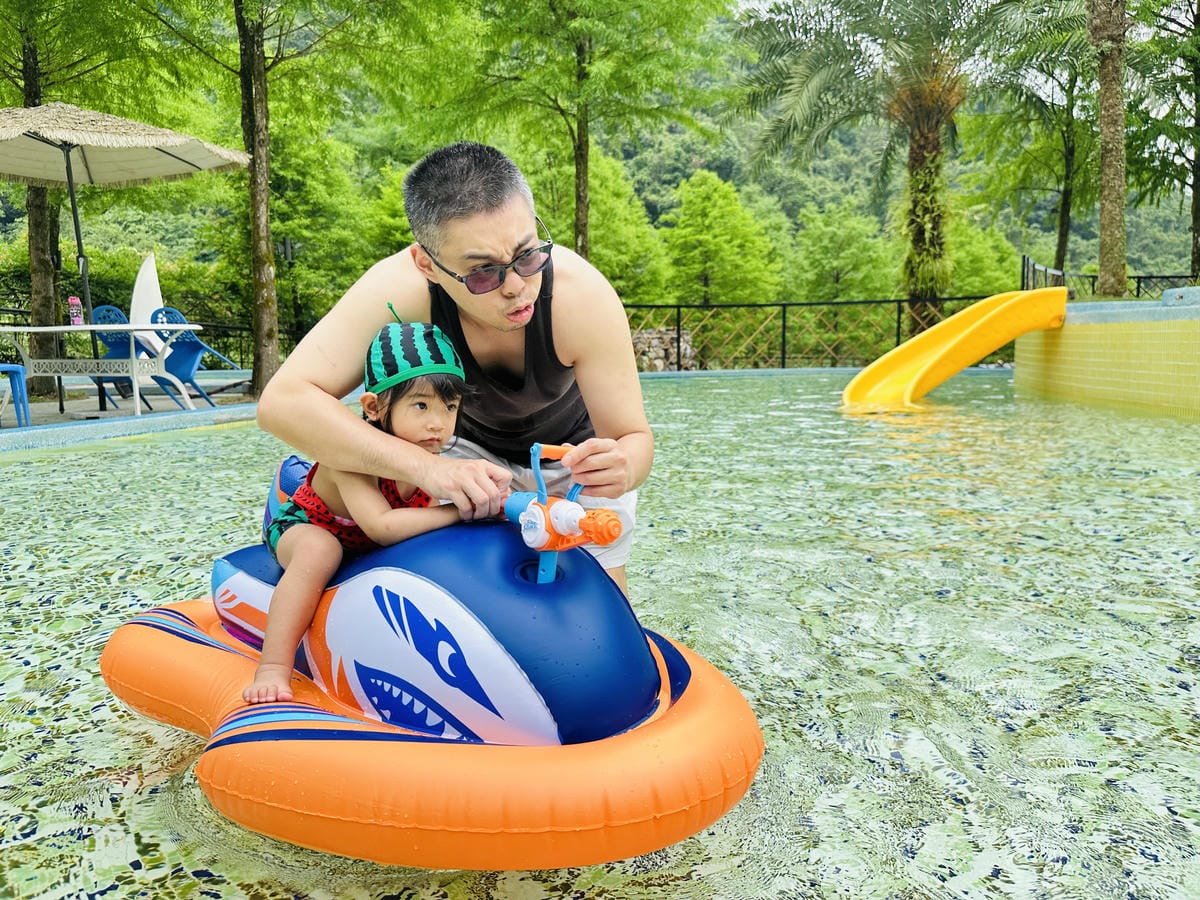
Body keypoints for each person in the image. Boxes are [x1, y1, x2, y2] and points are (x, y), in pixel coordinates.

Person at [258, 141, 653, 594]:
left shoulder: (580, 298)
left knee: (601, 601)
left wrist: (623, 466)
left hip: (574, 461)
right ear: (428, 264)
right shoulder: (399, 291)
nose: (517, 286)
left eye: (527, 255)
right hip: (458, 454)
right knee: (461, 594)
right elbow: (282, 403)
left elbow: (633, 439)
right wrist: (430, 471)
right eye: (483, 273)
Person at [245, 321, 467, 704]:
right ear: (374, 407)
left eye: (449, 407)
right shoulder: (351, 456)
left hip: (361, 541)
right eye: (421, 405)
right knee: (321, 551)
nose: (438, 422)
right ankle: (273, 667)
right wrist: (459, 513)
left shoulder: (432, 457)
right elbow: (381, 526)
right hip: (309, 525)